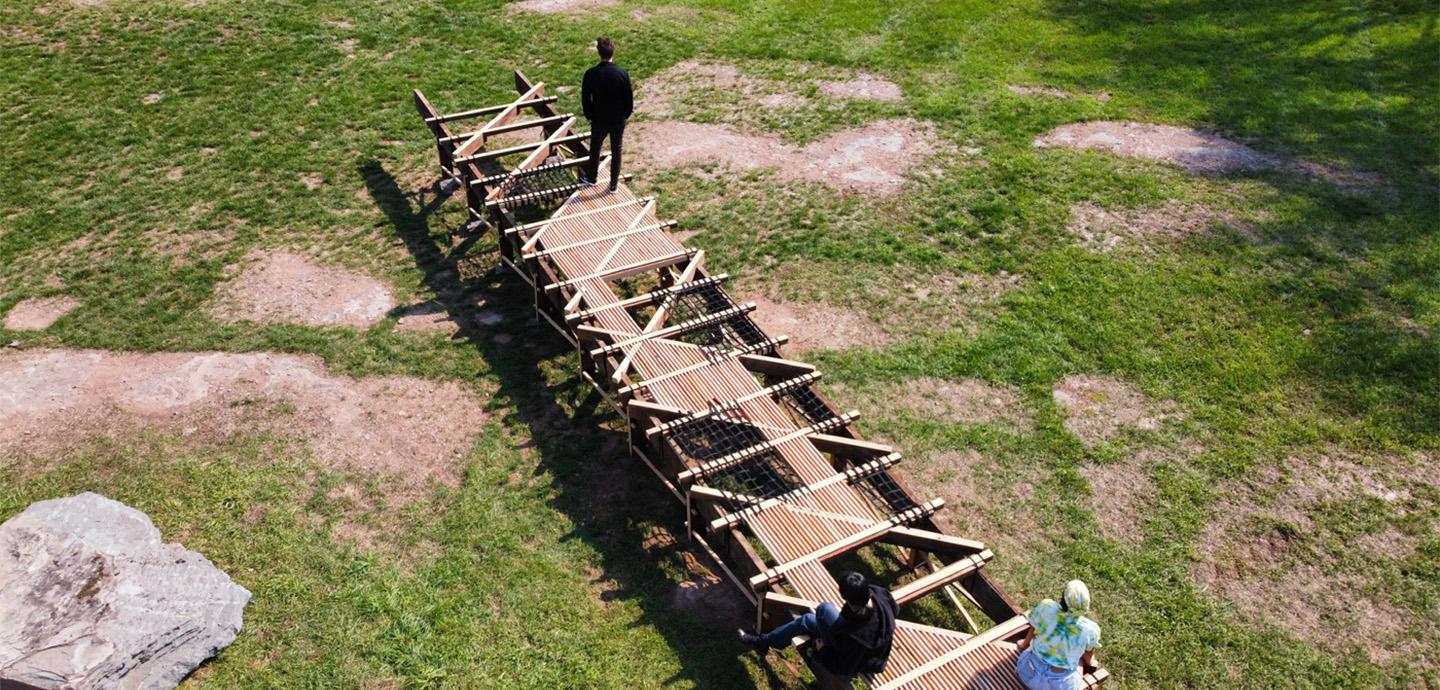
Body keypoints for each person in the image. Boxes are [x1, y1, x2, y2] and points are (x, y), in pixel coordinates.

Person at [738, 571, 897, 677]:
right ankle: (763, 642)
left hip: (863, 658)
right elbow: (895, 610)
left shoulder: (860, 638)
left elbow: (845, 668)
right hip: (859, 640)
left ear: (848, 599)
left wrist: (823, 651)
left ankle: (763, 642)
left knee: (820, 612)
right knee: (814, 616)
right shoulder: (878, 593)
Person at [1015, 579, 1102, 690]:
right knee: (1079, 659)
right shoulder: (1091, 630)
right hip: (1059, 687)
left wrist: (1024, 644)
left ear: (1063, 598)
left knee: (1033, 647)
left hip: (1026, 674)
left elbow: (1033, 627)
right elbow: (1088, 656)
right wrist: (1091, 662)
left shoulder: (1046, 607)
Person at [579, 36, 633, 194]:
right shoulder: (622, 73)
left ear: (599, 53)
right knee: (617, 150)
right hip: (618, 119)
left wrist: (590, 115)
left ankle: (592, 177)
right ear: (613, 52)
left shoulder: (590, 74)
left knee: (595, 147)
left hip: (599, 118)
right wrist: (625, 115)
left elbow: (585, 98)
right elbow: (628, 98)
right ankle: (613, 185)